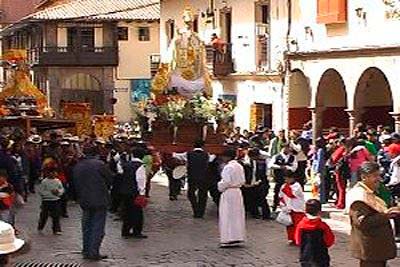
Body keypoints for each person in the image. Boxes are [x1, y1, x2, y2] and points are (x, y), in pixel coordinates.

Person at [347, 162, 398, 267]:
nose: (379, 179)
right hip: (370, 248)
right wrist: (386, 215)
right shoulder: (359, 196)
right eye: (375, 176)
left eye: (379, 175)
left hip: (376, 248)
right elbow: (362, 222)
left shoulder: (369, 192)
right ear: (364, 177)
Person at [73, 145, 113, 261]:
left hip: (84, 199)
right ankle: (93, 251)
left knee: (86, 226)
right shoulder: (100, 165)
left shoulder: (78, 166)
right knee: (97, 226)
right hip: (100, 199)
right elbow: (110, 179)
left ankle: (86, 249)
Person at [218, 148, 246, 247]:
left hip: (229, 192)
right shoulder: (239, 166)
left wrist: (219, 186)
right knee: (237, 215)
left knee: (227, 214)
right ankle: (237, 236)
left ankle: (228, 238)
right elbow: (243, 180)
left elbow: (226, 181)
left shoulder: (228, 167)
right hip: (237, 191)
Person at [295, 199, 335, 267]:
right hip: (321, 255)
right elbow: (330, 240)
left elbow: (298, 241)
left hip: (306, 255)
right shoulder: (323, 226)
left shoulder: (301, 225)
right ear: (319, 212)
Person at [119, 148, 148, 239]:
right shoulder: (140, 166)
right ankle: (136, 231)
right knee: (137, 212)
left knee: (127, 211)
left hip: (125, 191)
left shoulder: (126, 165)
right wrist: (142, 193)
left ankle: (125, 230)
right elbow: (141, 180)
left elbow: (120, 172)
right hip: (134, 192)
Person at [279, 170, 305, 245]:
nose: (286, 180)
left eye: (288, 179)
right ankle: (291, 238)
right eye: (285, 179)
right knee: (290, 225)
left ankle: (299, 239)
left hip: (297, 209)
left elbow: (291, 194)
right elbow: (280, 196)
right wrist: (283, 205)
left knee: (298, 225)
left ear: (293, 178)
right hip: (288, 209)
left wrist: (286, 187)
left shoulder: (297, 186)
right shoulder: (283, 186)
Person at [37, 162, 64, 235]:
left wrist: (58, 192)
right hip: (47, 201)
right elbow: (41, 191)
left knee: (56, 216)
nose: (53, 174)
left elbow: (61, 189)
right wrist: (50, 193)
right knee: (44, 215)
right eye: (51, 172)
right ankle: (40, 227)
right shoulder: (44, 182)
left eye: (54, 172)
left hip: (55, 200)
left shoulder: (58, 181)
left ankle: (56, 229)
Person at [270, 144, 298, 211]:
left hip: (289, 179)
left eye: (289, 148)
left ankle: (290, 207)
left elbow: (294, 168)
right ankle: (275, 206)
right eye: (286, 148)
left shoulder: (293, 157)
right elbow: (270, 165)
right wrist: (279, 167)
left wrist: (287, 167)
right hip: (279, 178)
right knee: (277, 192)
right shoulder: (276, 156)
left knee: (289, 193)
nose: (287, 149)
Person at [187, 140, 210, 218]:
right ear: (203, 146)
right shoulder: (206, 154)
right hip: (204, 177)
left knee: (191, 194)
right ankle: (201, 212)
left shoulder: (189, 154)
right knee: (203, 194)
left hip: (192, 177)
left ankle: (196, 209)